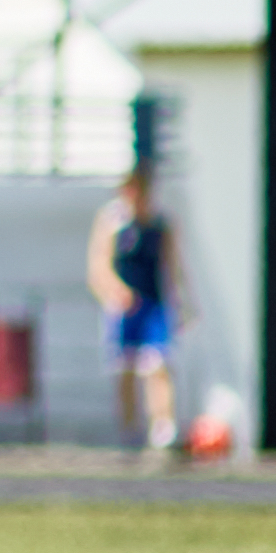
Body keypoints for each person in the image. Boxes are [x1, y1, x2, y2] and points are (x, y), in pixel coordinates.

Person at [89, 161, 182, 457]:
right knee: (126, 368)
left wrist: (181, 302)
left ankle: (163, 427)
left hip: (153, 302)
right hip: (125, 307)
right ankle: (129, 430)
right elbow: (98, 265)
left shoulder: (160, 222)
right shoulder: (112, 221)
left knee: (157, 365)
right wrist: (114, 292)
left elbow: (173, 266)